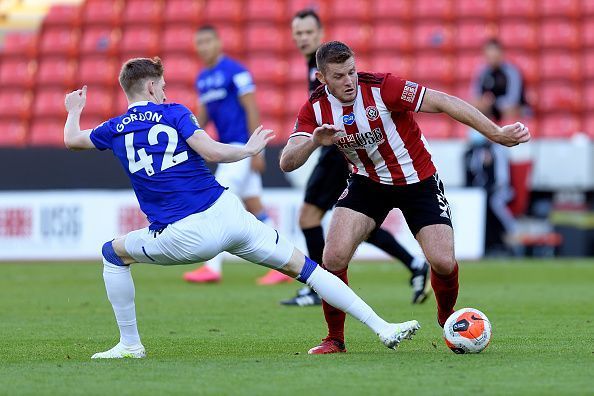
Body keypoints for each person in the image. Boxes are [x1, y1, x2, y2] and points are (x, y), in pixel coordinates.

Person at [63, 57, 421, 359]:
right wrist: (248, 151)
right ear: (153, 88)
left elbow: (72, 141)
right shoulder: (174, 113)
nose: (166, 91)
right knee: (309, 269)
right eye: (164, 86)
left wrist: (74, 111)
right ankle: (383, 326)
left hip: (185, 235)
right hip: (229, 214)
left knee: (113, 253)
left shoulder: (113, 128)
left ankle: (129, 344)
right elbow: (212, 152)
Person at [280, 41, 530, 354]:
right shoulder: (314, 108)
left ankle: (446, 317)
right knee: (333, 257)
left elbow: (443, 101)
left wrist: (496, 133)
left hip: (418, 180)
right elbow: (287, 161)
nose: (349, 81)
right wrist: (313, 142)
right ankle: (335, 339)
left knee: (442, 260)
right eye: (340, 76)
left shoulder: (383, 88)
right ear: (321, 78)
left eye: (352, 72)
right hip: (368, 182)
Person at [281, 9, 431, 307]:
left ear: (320, 33)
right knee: (359, 223)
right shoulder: (315, 66)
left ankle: (316, 286)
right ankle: (413, 263)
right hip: (339, 153)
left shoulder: (325, 67)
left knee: (311, 218)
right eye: (298, 33)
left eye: (309, 32)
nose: (303, 38)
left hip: (340, 154)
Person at [183, 25, 291, 285]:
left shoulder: (236, 71)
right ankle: (285, 262)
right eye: (199, 42)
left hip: (241, 147)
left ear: (219, 43)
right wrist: (194, 137)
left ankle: (212, 267)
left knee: (217, 201)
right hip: (228, 147)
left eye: (208, 41)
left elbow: (251, 107)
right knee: (255, 207)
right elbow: (204, 114)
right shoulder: (202, 78)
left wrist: (256, 150)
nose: (204, 46)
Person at [464, 131, 517, 255]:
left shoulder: (497, 150)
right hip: (482, 191)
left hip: (500, 191)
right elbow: (472, 176)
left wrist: (489, 189)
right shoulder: (472, 152)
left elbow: (501, 178)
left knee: (494, 203)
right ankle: (483, 241)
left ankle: (510, 231)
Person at [471, 38, 530, 122]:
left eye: (494, 56)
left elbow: (513, 98)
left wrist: (494, 102)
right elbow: (475, 94)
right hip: (491, 108)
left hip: (513, 108)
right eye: (489, 56)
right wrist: (484, 101)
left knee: (509, 110)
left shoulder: (512, 72)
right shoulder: (482, 72)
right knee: (474, 106)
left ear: (501, 54)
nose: (492, 59)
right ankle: (477, 134)